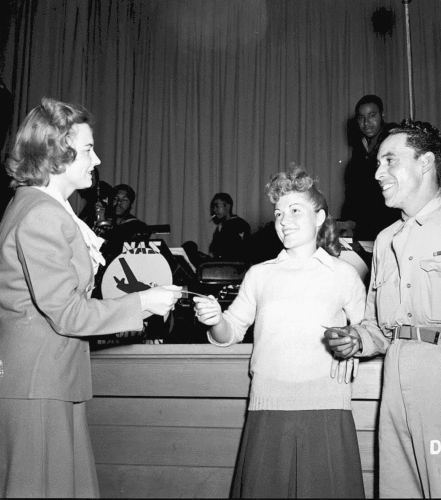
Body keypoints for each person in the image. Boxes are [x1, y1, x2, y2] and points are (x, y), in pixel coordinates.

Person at [0, 97, 182, 498]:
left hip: (48, 379)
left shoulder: (42, 207)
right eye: (86, 149)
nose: (96, 159)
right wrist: (144, 303)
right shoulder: (42, 215)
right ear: (56, 155)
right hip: (38, 385)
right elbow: (66, 312)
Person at [326, 120, 441, 498]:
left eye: (390, 160)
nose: (377, 172)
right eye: (376, 163)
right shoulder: (386, 240)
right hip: (397, 387)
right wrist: (356, 339)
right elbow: (379, 327)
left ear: (425, 163)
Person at [194, 167, 366, 498]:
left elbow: (369, 331)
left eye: (295, 210)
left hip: (327, 405)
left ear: (320, 218)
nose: (283, 220)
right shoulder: (259, 275)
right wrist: (214, 319)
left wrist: (354, 342)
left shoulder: (344, 274)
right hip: (267, 406)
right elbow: (229, 332)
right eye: (278, 213)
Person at [341, 94, 400, 241]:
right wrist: (349, 222)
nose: (366, 123)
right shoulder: (360, 146)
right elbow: (356, 190)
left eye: (372, 115)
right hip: (366, 224)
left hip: (391, 221)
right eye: (361, 118)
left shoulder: (395, 137)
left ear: (382, 115)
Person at [209, 192, 251, 262]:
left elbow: (240, 252)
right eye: (214, 207)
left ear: (228, 206)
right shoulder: (220, 226)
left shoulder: (240, 224)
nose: (214, 210)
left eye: (217, 206)